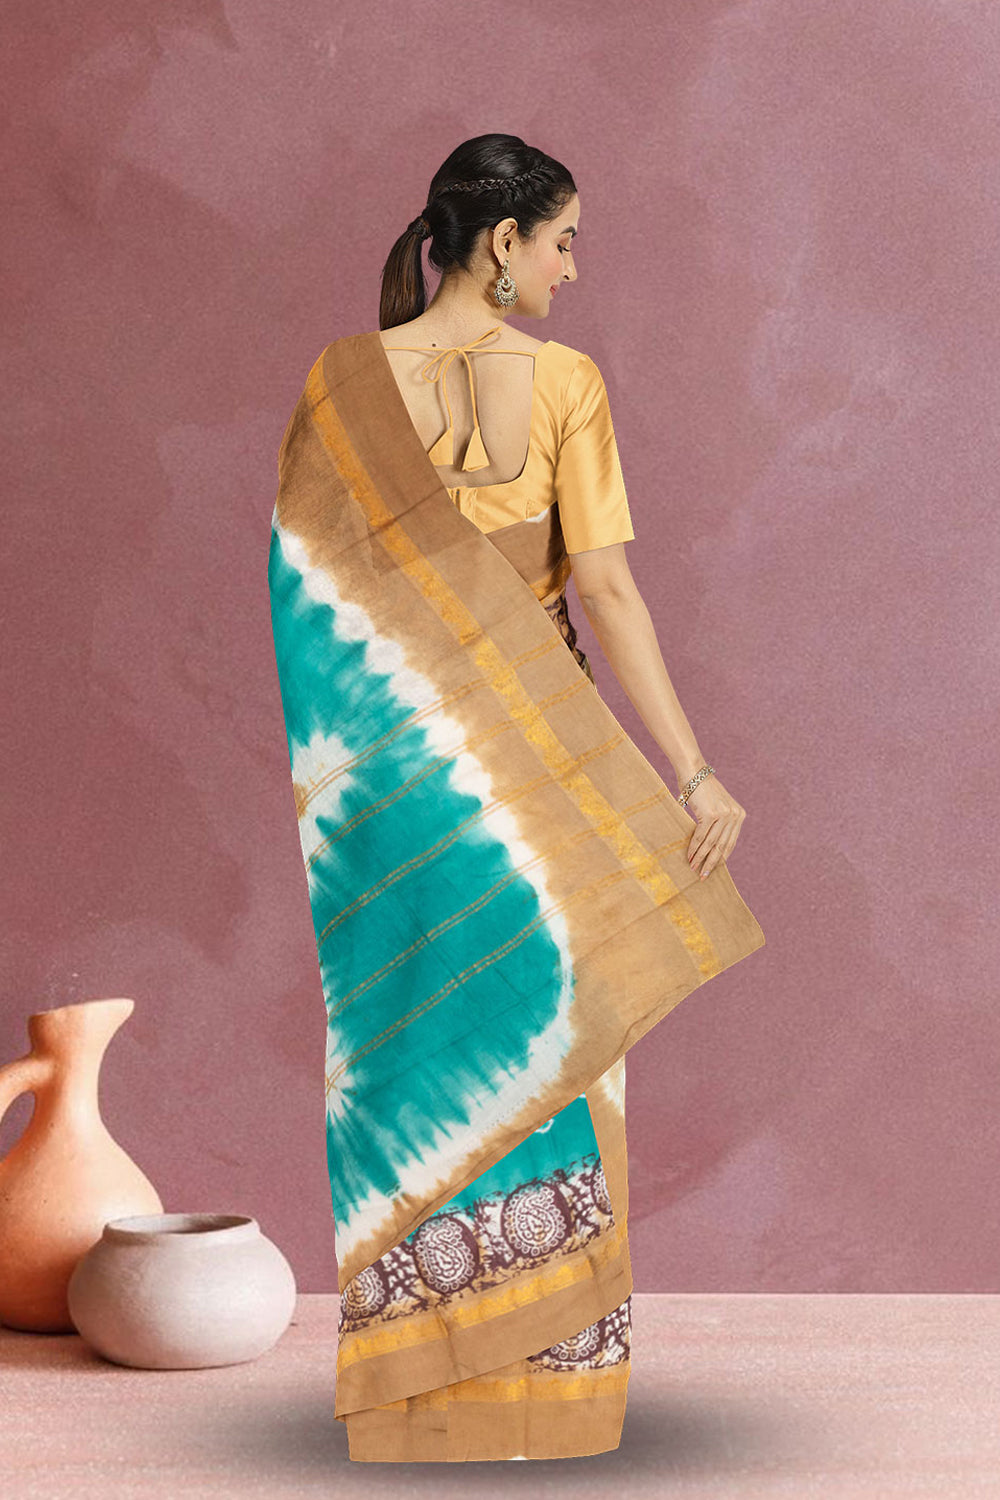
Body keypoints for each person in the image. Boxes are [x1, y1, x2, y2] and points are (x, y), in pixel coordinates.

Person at [267, 131, 765, 1463]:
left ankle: (420, 1400)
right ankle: (548, 1394)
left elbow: (315, 617)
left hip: (399, 800)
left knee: (412, 1065)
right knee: (551, 1049)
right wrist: (691, 770)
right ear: (502, 243)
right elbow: (604, 590)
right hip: (540, 790)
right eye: (564, 241)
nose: (573, 268)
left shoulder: (339, 385)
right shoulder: (565, 384)